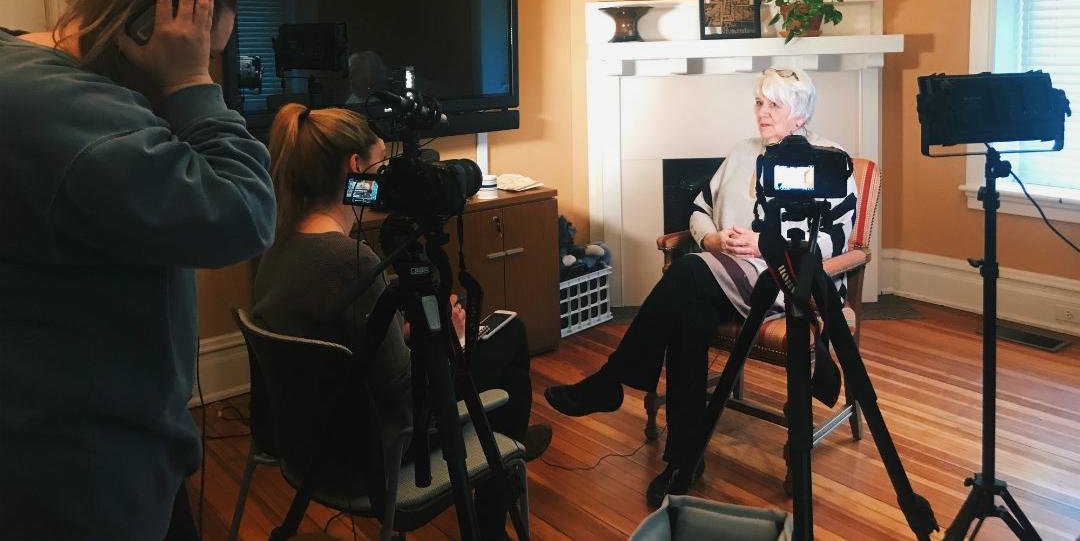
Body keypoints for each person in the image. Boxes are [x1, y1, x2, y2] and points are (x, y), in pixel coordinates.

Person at [0, 0, 276, 541]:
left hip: (74, 447)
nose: (213, 72)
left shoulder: (23, 70)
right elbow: (244, 212)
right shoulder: (70, 116)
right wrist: (190, 84)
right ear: (143, 30)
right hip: (85, 482)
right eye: (206, 54)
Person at [544, 67, 858, 506]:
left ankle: (614, 379)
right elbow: (698, 206)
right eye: (759, 103)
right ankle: (683, 461)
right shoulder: (742, 151)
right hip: (724, 274)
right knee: (688, 318)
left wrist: (768, 243)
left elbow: (838, 236)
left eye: (774, 105)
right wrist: (711, 238)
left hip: (780, 279)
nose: (762, 114)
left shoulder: (828, 159)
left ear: (800, 116)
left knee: (688, 271)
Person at [252, 103, 552, 540]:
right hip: (376, 454)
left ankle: (506, 452)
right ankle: (494, 500)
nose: (382, 187)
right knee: (510, 334)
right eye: (379, 171)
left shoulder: (275, 247)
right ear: (355, 169)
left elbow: (343, 346)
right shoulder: (346, 261)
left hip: (307, 447)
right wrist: (454, 339)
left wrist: (402, 332)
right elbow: (401, 390)